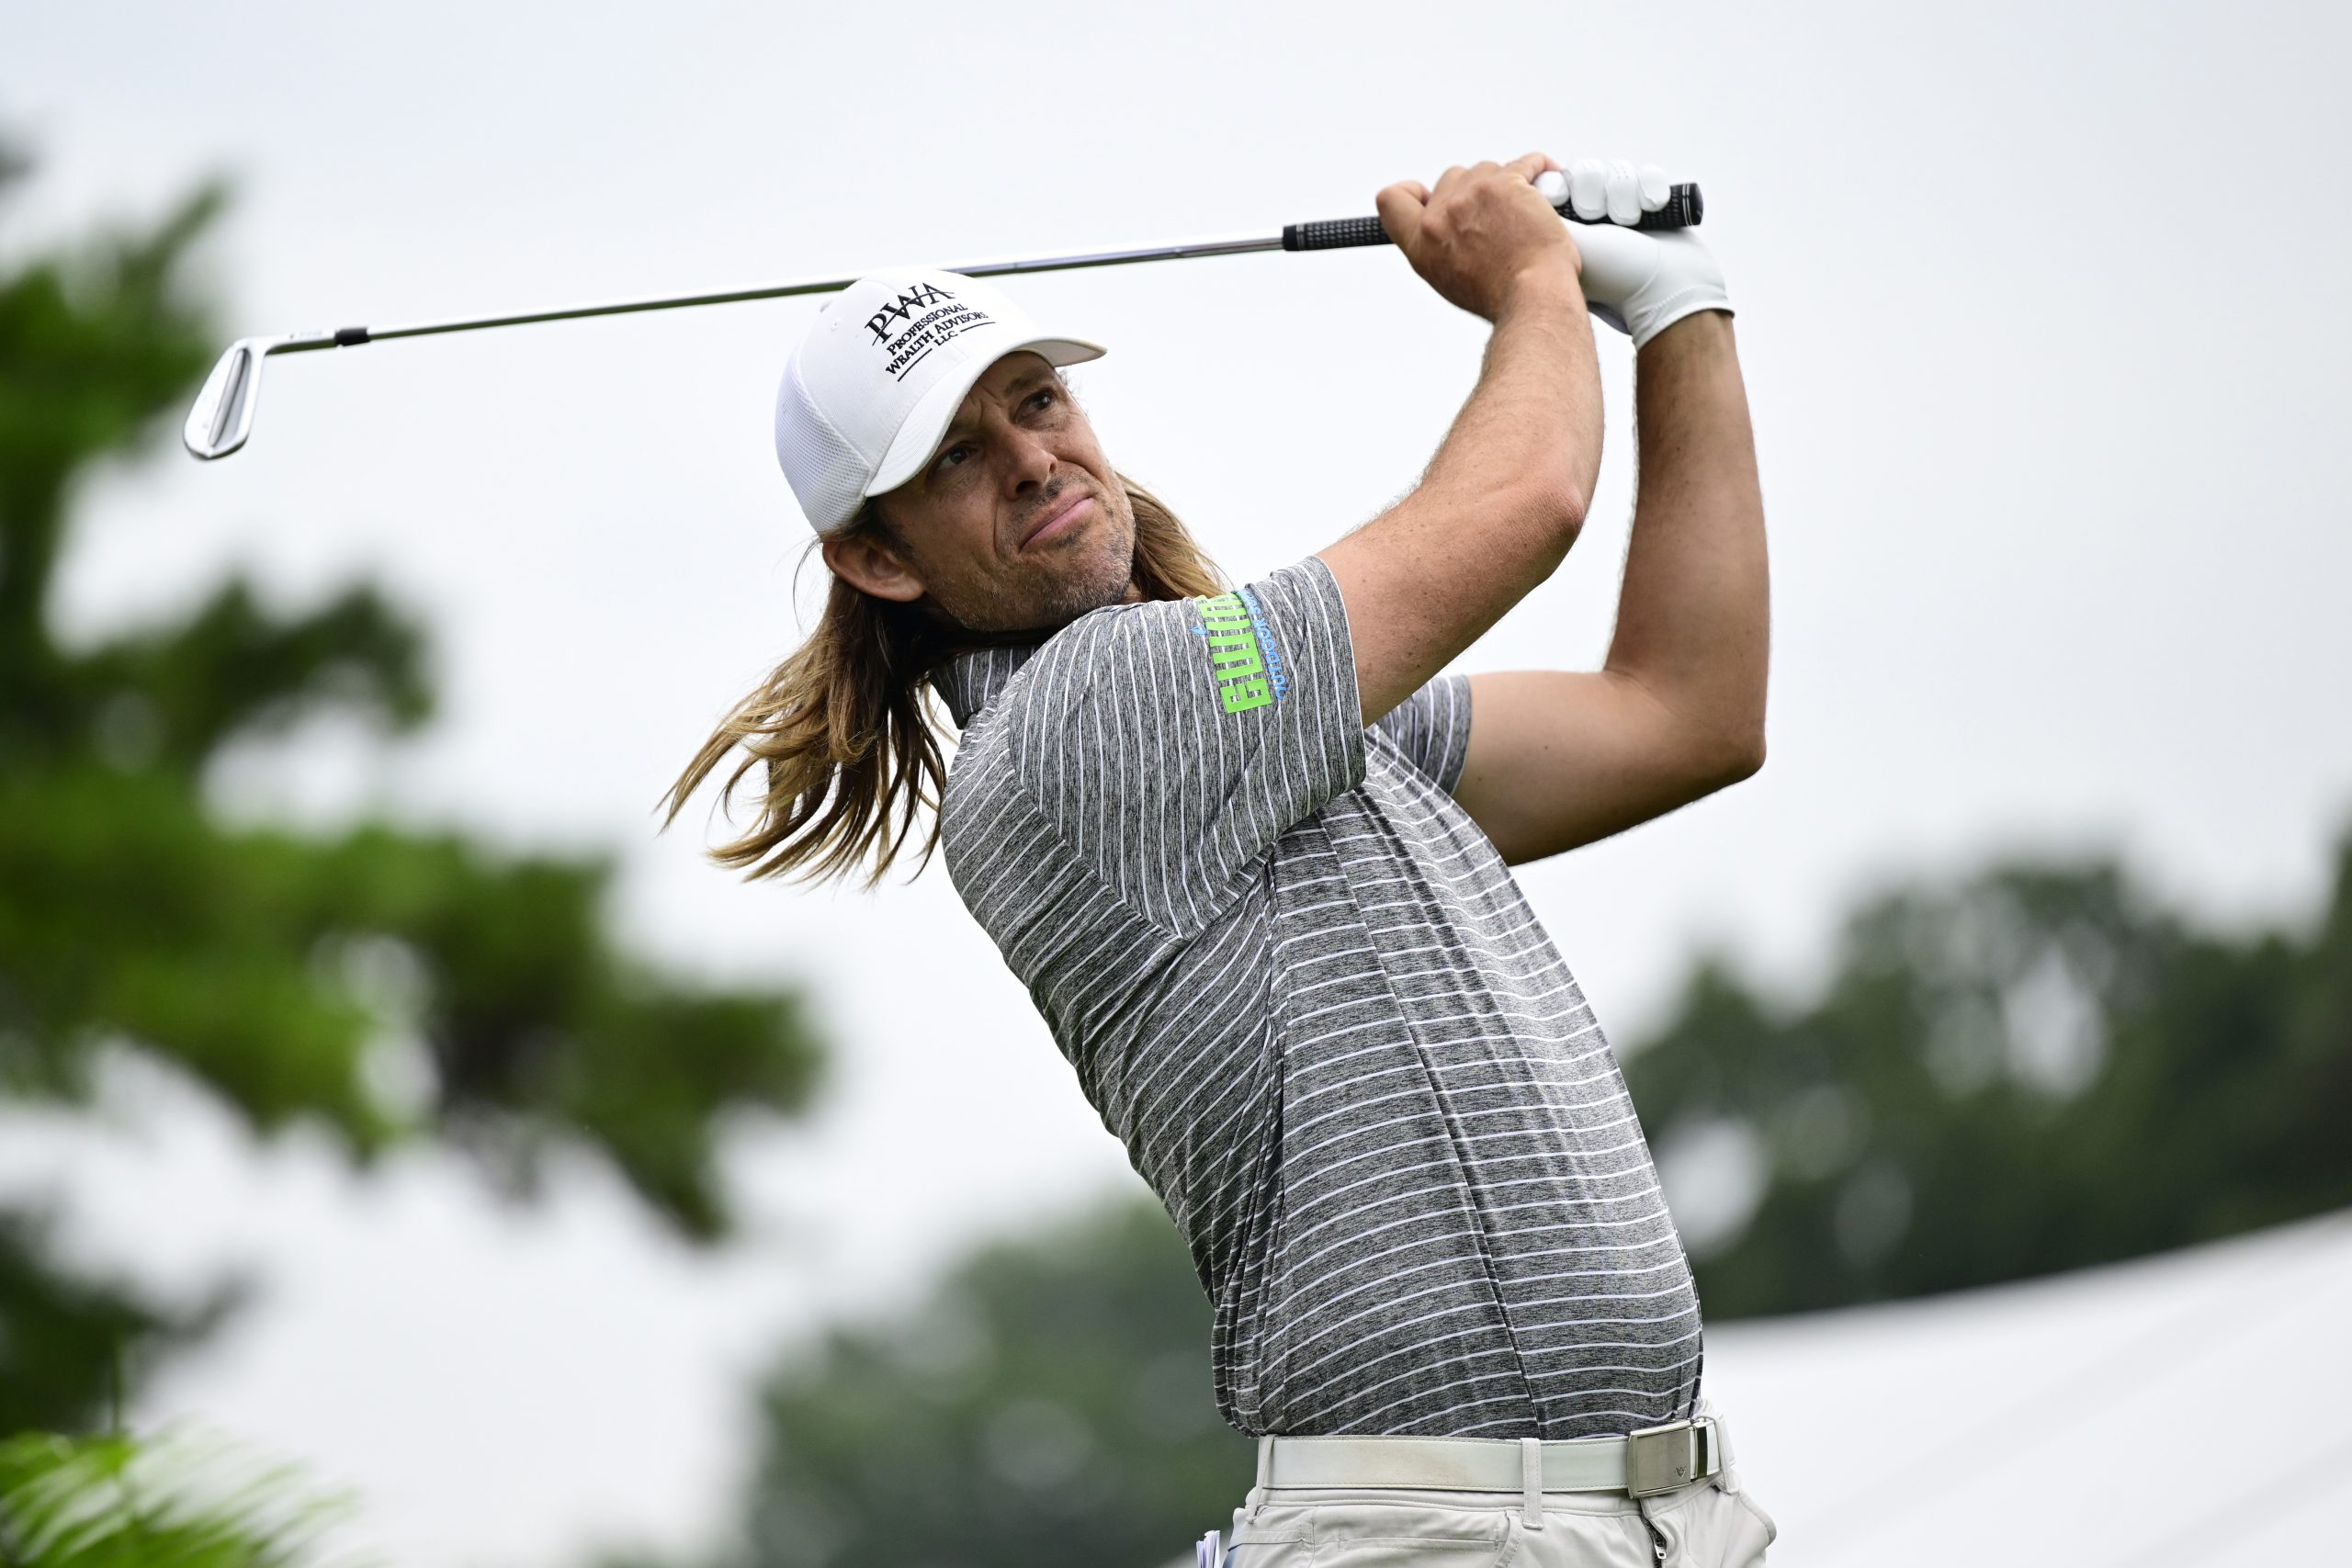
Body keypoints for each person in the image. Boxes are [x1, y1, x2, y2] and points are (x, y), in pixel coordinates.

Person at [667, 151, 1774, 1565]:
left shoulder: (1288, 729)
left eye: (1036, 400)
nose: (1031, 459)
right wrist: (1535, 287)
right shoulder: (1082, 730)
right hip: (1447, 1536)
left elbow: (1685, 713)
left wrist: (1683, 317)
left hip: (1631, 1520)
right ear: (882, 564)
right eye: (953, 458)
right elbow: (1527, 505)